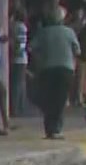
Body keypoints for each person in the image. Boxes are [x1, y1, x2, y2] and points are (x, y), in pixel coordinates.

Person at [28, 11, 81, 139]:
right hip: (65, 69)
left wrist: (39, 60)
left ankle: (49, 128)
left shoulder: (43, 32)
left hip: (47, 68)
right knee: (60, 99)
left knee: (49, 98)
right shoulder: (69, 32)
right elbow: (77, 50)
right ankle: (56, 128)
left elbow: (31, 48)